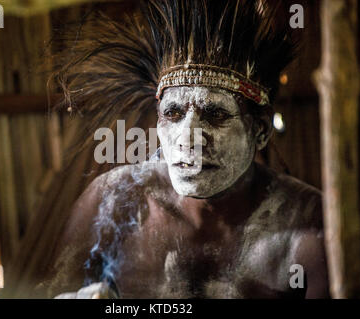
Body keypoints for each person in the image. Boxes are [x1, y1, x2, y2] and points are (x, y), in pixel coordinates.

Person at [41, 0, 329, 298]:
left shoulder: (308, 221)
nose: (188, 137)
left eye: (216, 114)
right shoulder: (113, 199)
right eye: (173, 113)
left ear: (261, 131)